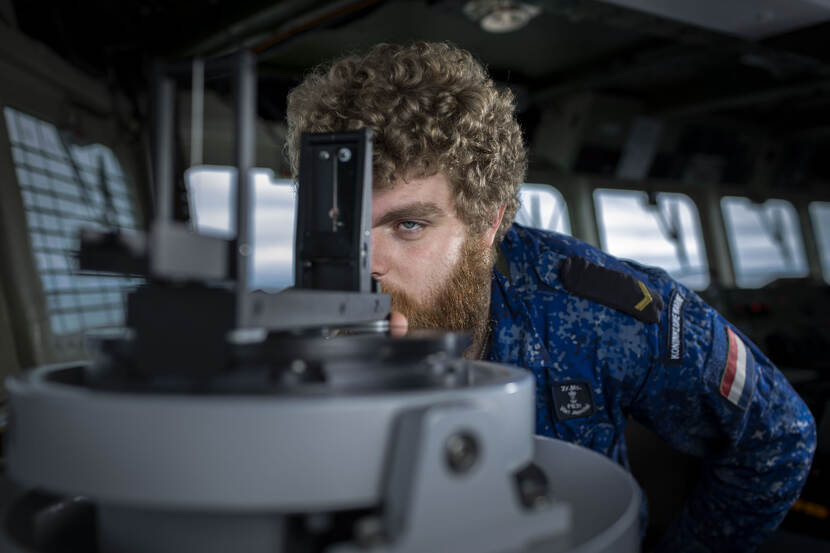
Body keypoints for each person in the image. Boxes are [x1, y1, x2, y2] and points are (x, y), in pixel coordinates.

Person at [285, 41, 816, 552]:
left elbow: (778, 435)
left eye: (408, 225)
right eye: (342, 226)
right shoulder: (279, 345)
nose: (366, 263)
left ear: (488, 224)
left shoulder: (597, 308)